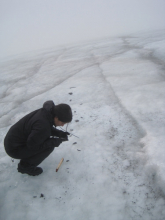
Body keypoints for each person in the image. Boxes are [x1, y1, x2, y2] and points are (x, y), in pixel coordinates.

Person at [4, 100, 72, 176]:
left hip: (12, 141)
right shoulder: (43, 126)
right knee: (49, 147)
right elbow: (33, 146)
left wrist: (59, 133)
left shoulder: (46, 113)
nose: (62, 125)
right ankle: (25, 166)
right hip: (14, 149)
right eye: (62, 123)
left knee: (44, 140)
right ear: (56, 117)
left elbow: (45, 128)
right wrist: (53, 142)